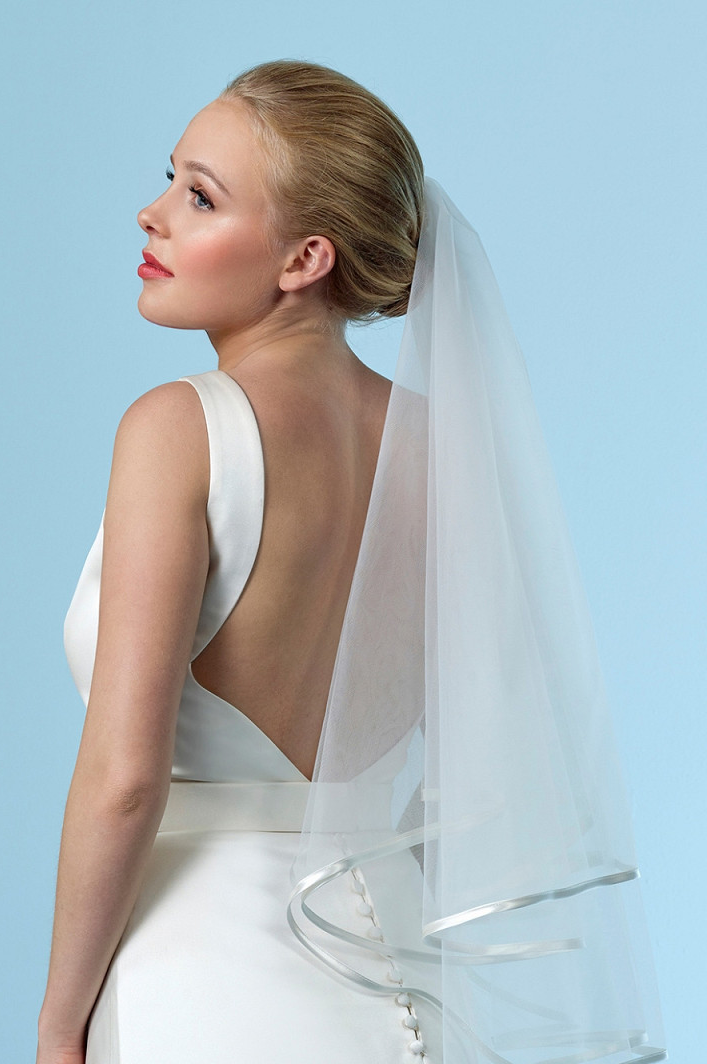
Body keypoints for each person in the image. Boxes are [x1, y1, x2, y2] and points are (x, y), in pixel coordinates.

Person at [37, 60, 666, 1064]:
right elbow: (472, 761)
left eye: (200, 197)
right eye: (170, 180)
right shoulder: (444, 446)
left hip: (202, 976)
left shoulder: (175, 429)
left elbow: (124, 781)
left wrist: (57, 1021)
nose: (151, 215)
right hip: (403, 968)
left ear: (305, 258)